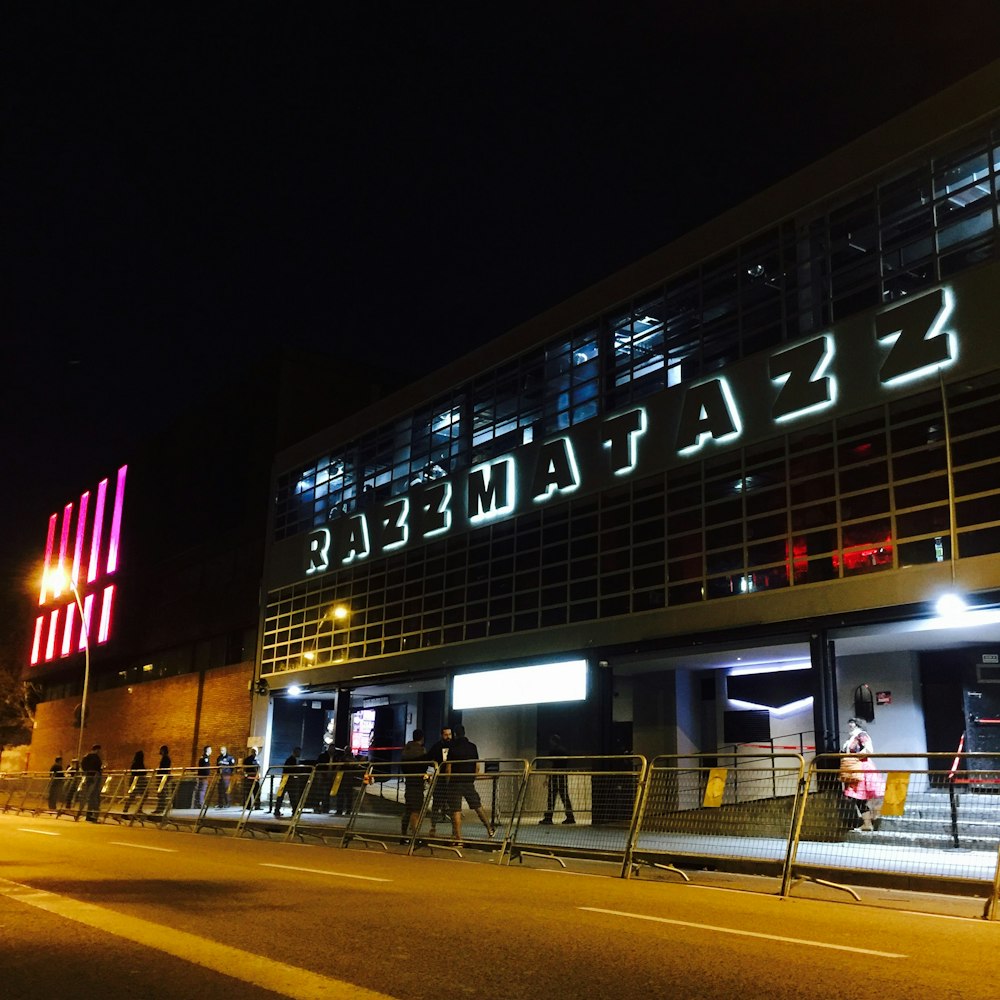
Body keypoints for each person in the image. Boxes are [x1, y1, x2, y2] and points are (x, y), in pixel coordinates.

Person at [444, 724, 495, 845]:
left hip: (455, 782)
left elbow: (448, 768)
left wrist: (447, 781)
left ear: (455, 734)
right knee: (477, 805)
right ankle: (489, 829)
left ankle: (458, 838)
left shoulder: (452, 747)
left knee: (456, 810)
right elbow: (477, 765)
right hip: (468, 781)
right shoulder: (472, 747)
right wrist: (474, 776)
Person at [840, 718, 886, 832]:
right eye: (849, 722)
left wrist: (854, 757)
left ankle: (869, 821)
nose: (849, 725)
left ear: (857, 724)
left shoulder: (861, 735)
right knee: (858, 797)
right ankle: (868, 821)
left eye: (852, 723)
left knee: (860, 796)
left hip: (861, 767)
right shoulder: (851, 737)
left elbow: (869, 749)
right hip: (854, 768)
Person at [539, 732, 575, 825]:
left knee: (551, 797)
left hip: (555, 776)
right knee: (564, 796)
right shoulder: (564, 750)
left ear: (554, 741)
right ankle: (570, 817)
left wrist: (547, 777)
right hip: (563, 775)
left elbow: (550, 764)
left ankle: (549, 817)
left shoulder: (553, 751)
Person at [400, 729, 427, 837]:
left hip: (409, 782)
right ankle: (415, 835)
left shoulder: (406, 750)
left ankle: (404, 834)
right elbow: (424, 765)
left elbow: (403, 766)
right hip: (417, 783)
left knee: (408, 809)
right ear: (422, 738)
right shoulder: (421, 750)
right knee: (416, 810)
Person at [425, 726, 453, 835]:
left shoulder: (454, 746)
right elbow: (428, 759)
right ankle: (433, 826)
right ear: (442, 735)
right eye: (446, 735)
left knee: (452, 804)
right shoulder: (436, 747)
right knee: (436, 803)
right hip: (440, 779)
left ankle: (454, 830)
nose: (448, 737)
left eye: (449, 734)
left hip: (451, 780)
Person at [273, 747, 302, 818]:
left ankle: (277, 810)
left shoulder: (291, 759)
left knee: (283, 796)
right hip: (288, 780)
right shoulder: (292, 760)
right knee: (291, 796)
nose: (299, 754)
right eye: (298, 752)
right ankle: (293, 811)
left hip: (286, 780)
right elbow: (291, 770)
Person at [80, 743, 103, 822]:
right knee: (94, 796)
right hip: (95, 778)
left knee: (90, 796)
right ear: (97, 749)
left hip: (88, 777)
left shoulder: (86, 756)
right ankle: (93, 814)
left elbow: (83, 766)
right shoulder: (96, 757)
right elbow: (98, 767)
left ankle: (89, 814)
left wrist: (87, 772)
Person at [314, 744, 333, 813]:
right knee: (320, 792)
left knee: (327, 793)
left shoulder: (335, 757)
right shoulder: (323, 756)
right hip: (322, 776)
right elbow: (318, 765)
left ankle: (325, 808)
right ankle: (317, 806)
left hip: (330, 777)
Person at [155, 744, 173, 813]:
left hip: (163, 777)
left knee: (162, 793)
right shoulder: (165, 758)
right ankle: (160, 808)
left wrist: (160, 774)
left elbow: (164, 768)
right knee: (161, 793)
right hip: (163, 777)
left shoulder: (165, 758)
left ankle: (160, 808)